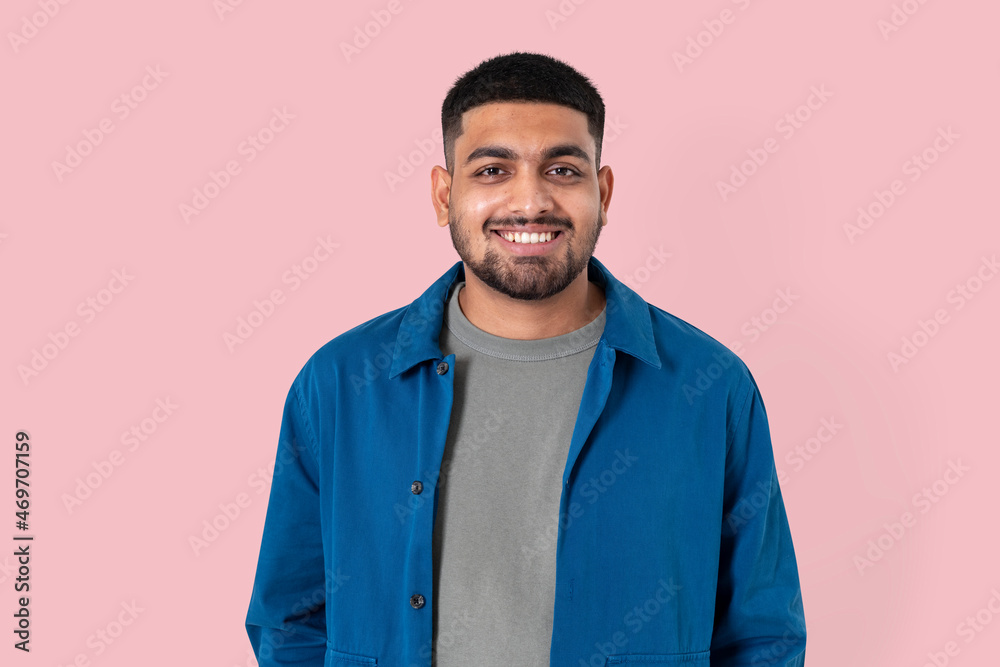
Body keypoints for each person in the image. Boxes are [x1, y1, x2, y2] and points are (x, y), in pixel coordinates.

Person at [245, 51, 806, 667]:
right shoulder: (339, 384)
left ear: (604, 191)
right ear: (443, 195)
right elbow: (288, 621)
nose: (531, 201)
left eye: (563, 169)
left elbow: (761, 635)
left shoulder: (709, 386)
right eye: (492, 170)